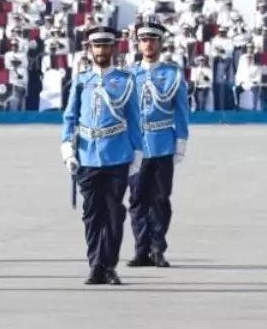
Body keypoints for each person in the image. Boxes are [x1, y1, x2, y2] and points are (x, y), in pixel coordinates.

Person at [61, 25, 144, 286]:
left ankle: (108, 266)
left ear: (113, 48)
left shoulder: (126, 80)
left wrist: (138, 153)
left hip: (117, 154)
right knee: (91, 214)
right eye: (97, 46)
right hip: (86, 156)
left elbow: (134, 118)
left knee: (114, 213)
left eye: (105, 46)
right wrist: (67, 149)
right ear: (90, 49)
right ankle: (95, 263)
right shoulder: (81, 80)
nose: (101, 50)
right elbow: (69, 117)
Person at [126, 20, 189, 269]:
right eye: (144, 40)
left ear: (160, 44)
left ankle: (157, 248)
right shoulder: (129, 75)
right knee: (138, 199)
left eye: (153, 40)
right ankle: (141, 249)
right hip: (136, 146)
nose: (148, 44)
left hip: (163, 143)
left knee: (161, 199)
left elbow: (181, 111)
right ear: (139, 44)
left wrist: (181, 142)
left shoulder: (172, 75)